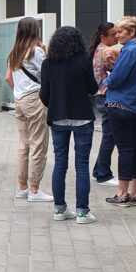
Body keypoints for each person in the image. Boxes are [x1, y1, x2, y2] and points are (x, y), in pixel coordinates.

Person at [40, 26, 99, 224]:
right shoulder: (84, 60)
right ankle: (82, 212)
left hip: (58, 117)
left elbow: (44, 94)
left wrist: (55, 104)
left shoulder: (48, 63)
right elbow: (93, 87)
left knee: (60, 163)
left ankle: (59, 209)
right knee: (82, 165)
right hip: (82, 115)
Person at [102, 16, 136, 207]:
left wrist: (105, 82)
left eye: (120, 32)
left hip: (121, 105)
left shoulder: (130, 51)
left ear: (132, 32)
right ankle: (134, 193)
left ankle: (122, 194)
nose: (117, 36)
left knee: (125, 149)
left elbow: (117, 79)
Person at [4, 17, 52, 202]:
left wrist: (18, 92)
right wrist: (46, 51)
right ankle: (34, 190)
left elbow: (8, 77)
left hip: (19, 101)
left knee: (24, 145)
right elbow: (48, 72)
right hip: (35, 99)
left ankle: (22, 187)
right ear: (35, 30)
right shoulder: (36, 51)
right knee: (38, 144)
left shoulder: (15, 52)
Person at [89, 22, 120, 187]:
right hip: (105, 95)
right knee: (110, 136)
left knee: (109, 135)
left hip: (100, 96)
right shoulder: (106, 51)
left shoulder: (98, 49)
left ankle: (98, 171)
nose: (117, 36)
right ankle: (103, 174)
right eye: (113, 33)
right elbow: (120, 70)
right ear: (103, 36)